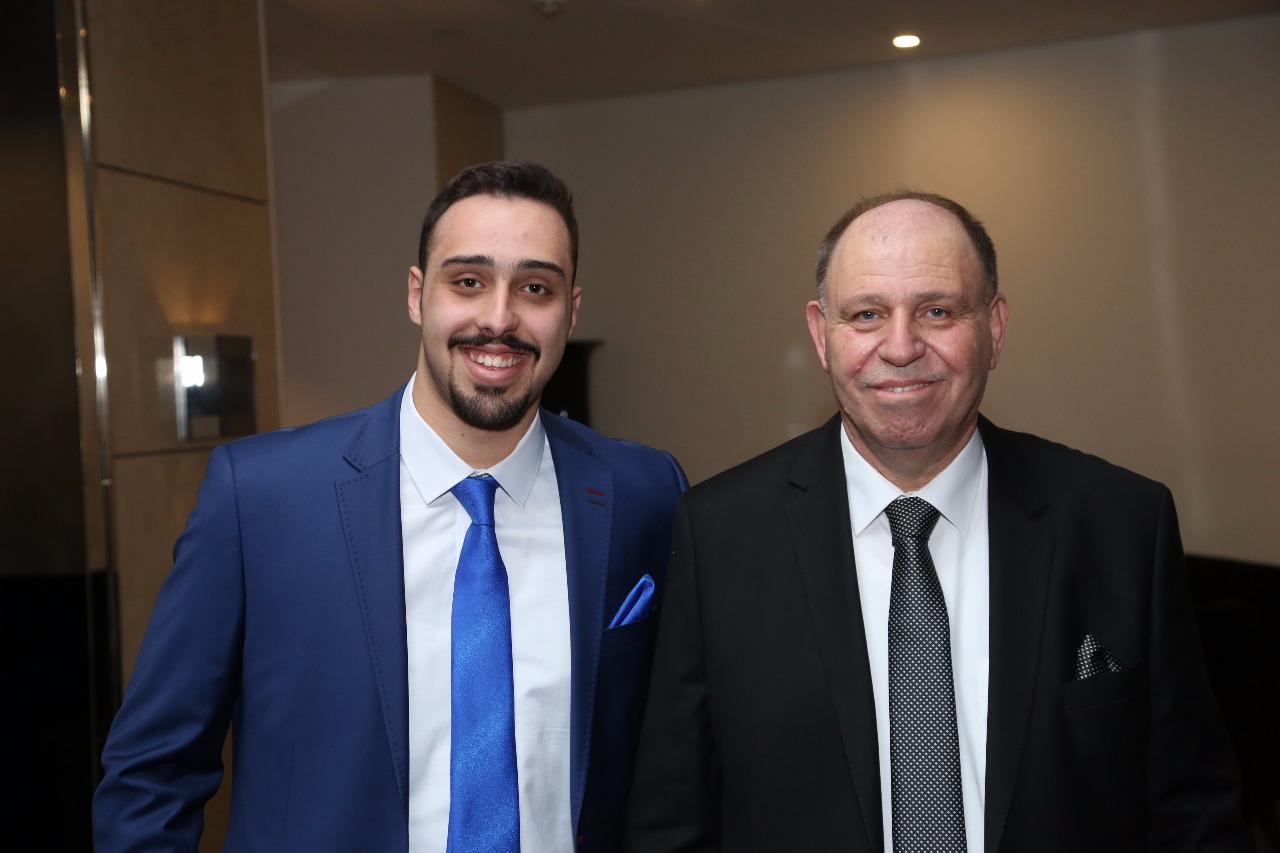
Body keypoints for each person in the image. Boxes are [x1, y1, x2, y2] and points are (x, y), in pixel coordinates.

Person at [624, 191, 1248, 851]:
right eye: (867, 314)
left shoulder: (1122, 525)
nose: (901, 347)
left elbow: (1193, 811)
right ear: (821, 334)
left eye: (937, 311)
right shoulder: (719, 534)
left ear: (994, 328)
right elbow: (672, 819)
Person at [94, 161, 687, 852]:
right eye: (468, 281)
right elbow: (152, 776)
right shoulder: (260, 498)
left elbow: (684, 761)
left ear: (571, 310)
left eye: (535, 288)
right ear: (416, 294)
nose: (499, 319)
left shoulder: (645, 493)